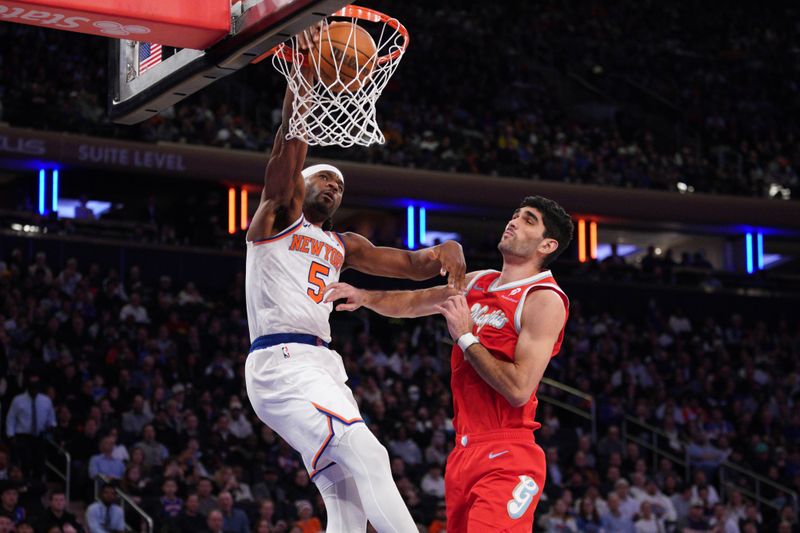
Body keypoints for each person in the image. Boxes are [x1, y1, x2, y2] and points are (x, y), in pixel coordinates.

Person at [243, 25, 466, 533]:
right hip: (281, 362)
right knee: (368, 453)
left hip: (322, 365)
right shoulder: (277, 217)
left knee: (346, 495)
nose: (335, 189)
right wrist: (302, 79)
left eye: (340, 186)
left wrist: (448, 250)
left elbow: (412, 265)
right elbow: (286, 152)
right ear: (301, 186)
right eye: (326, 179)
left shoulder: (345, 245)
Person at [325, 195, 573, 531]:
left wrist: (466, 337)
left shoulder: (544, 298)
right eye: (515, 215)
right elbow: (415, 302)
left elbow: (519, 388)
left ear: (548, 244)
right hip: (462, 453)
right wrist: (365, 297)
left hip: (508, 453)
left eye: (528, 219)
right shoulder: (478, 281)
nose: (513, 221)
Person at [5, 373, 56, 478]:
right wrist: (11, 435)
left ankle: (36, 487)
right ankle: (25, 486)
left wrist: (51, 428)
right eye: (32, 386)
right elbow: (11, 419)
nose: (34, 389)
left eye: (36, 386)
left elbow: (51, 419)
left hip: (40, 436)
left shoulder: (46, 400)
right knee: (25, 463)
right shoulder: (18, 400)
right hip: (23, 436)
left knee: (40, 465)